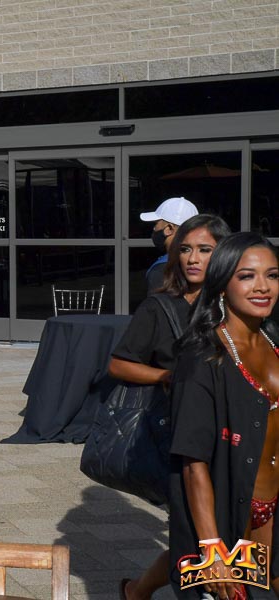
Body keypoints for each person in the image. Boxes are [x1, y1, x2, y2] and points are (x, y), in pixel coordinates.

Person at [110, 215, 231, 600]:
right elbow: (118, 364)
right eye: (186, 249)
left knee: (215, 535)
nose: (192, 259)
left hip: (235, 437)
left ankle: (136, 591)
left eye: (204, 250)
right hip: (180, 437)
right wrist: (166, 376)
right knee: (191, 536)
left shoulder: (235, 303)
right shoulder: (159, 307)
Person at [169, 232, 279, 599]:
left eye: (272, 275)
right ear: (221, 285)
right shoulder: (203, 357)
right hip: (232, 516)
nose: (263, 286)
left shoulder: (274, 342)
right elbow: (193, 462)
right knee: (240, 592)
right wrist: (212, 548)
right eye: (247, 276)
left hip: (272, 513)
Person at [140, 197, 199, 296]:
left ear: (169, 229)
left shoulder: (162, 270)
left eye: (156, 223)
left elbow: (157, 305)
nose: (154, 228)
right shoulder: (200, 263)